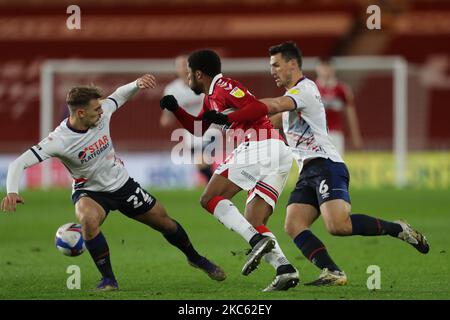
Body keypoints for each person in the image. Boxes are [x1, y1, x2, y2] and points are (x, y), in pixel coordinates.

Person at [1, 75, 225, 291]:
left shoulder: (102, 111)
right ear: (80, 113)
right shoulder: (58, 141)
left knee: (166, 224)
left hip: (123, 184)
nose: (102, 111)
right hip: (90, 192)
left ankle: (196, 259)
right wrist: (12, 191)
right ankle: (108, 279)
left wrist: (137, 84)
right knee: (88, 220)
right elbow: (17, 164)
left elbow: (119, 95)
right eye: (96, 109)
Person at [258, 41, 429, 285]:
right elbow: (270, 119)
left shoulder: (304, 89)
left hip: (326, 164)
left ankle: (397, 229)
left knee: (338, 225)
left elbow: (273, 106)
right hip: (307, 170)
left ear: (292, 64)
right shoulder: (290, 99)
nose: (272, 71)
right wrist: (231, 120)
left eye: (276, 65)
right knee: (294, 224)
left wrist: (242, 103)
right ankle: (333, 271)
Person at [160, 49, 299, 291]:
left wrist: (228, 118)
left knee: (209, 197)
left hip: (259, 145)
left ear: (199, 73)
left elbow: (258, 108)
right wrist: (175, 109)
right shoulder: (210, 96)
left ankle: (256, 241)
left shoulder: (223, 85)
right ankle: (285, 269)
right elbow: (198, 128)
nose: (187, 78)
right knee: (254, 219)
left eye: (189, 74)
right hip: (276, 153)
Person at [160, 55, 213, 183]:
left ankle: (214, 189)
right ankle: (214, 188)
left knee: (202, 161)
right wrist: (166, 118)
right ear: (176, 69)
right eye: (180, 65)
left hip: (210, 126)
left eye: (186, 64)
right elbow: (168, 114)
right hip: (191, 131)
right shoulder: (171, 89)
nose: (184, 67)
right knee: (201, 165)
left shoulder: (202, 82)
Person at [315, 57, 363, 156]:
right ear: (318, 69)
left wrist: (355, 135)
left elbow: (350, 113)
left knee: (336, 166)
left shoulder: (342, 89)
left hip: (335, 134)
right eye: (323, 67)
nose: (325, 70)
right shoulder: (312, 88)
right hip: (316, 133)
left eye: (328, 67)